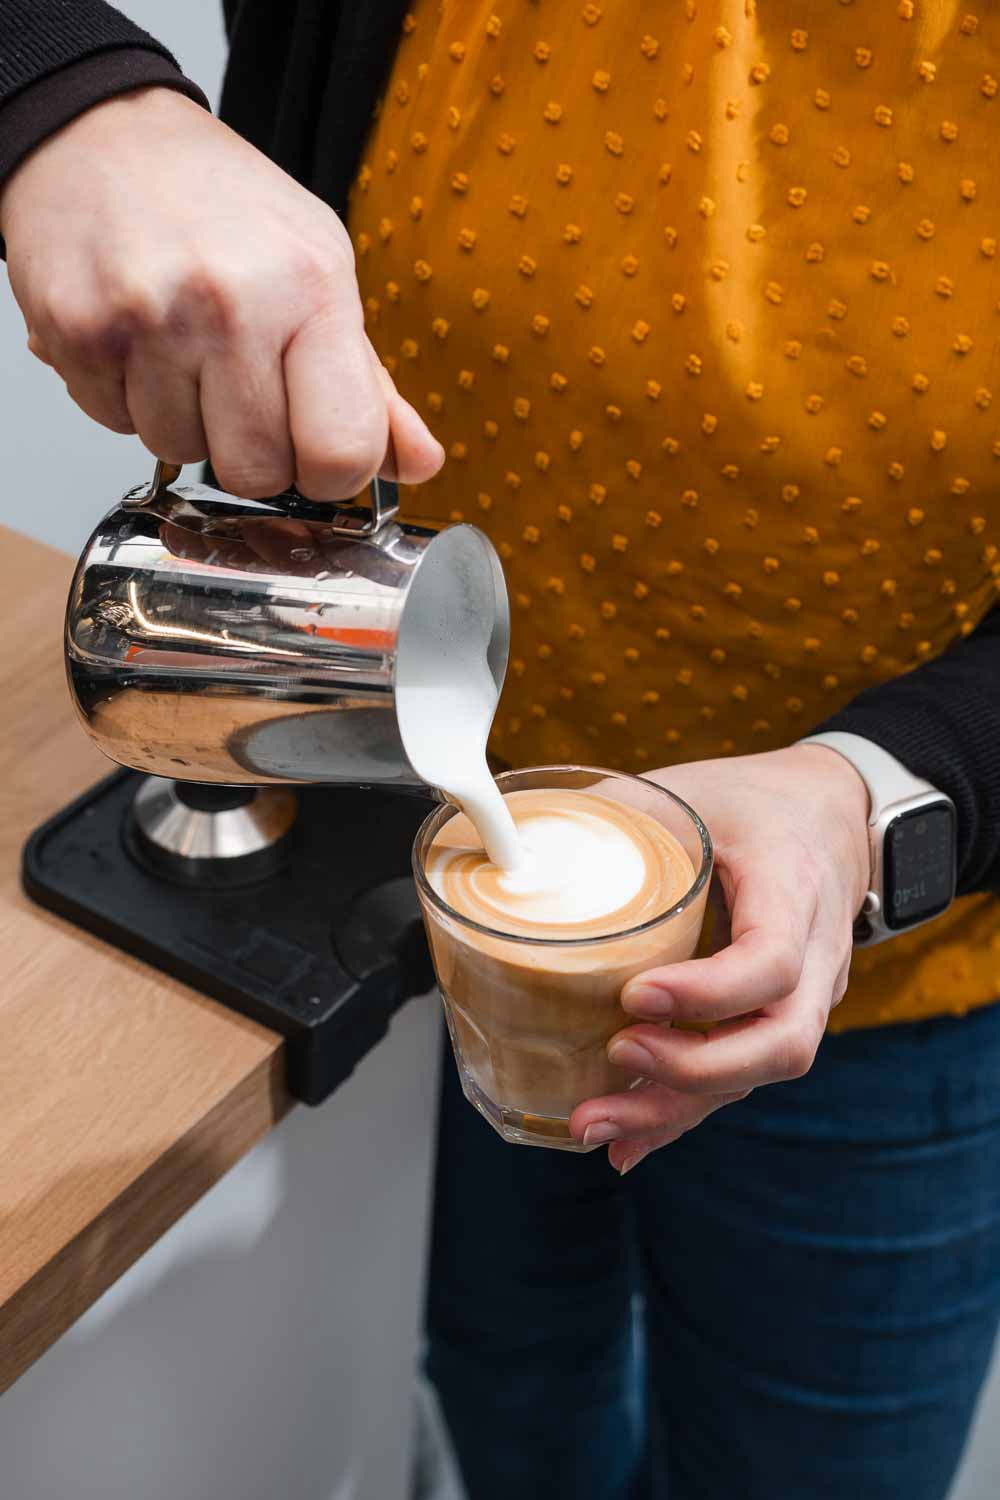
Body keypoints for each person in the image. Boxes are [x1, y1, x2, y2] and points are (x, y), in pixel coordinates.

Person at [2, 4, 1000, 1497]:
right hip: (434, 904)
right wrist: (66, 90)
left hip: (897, 979)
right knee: (502, 1383)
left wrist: (878, 796)